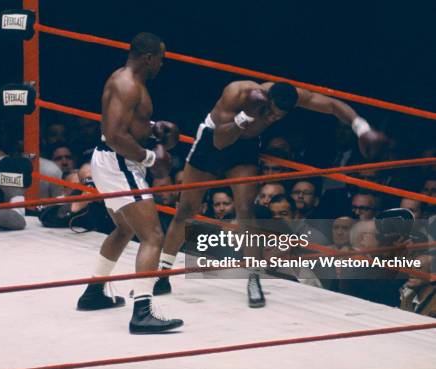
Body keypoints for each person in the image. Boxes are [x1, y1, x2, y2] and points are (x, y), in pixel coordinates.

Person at [156, 80, 387, 308]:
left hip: (244, 148)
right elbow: (219, 140)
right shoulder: (238, 93)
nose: (274, 118)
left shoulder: (292, 96)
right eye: (271, 112)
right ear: (266, 99)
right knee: (186, 210)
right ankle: (162, 272)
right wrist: (246, 116)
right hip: (214, 140)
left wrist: (362, 128)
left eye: (280, 116)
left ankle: (254, 278)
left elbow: (332, 106)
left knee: (246, 210)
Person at [75, 32, 183, 334]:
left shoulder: (126, 80)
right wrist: (150, 158)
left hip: (110, 160)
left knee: (124, 228)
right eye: (161, 58)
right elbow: (114, 134)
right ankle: (143, 312)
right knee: (152, 235)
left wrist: (152, 128)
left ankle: (94, 292)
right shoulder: (127, 85)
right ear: (149, 58)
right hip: (118, 162)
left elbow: (125, 125)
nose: (163, 63)